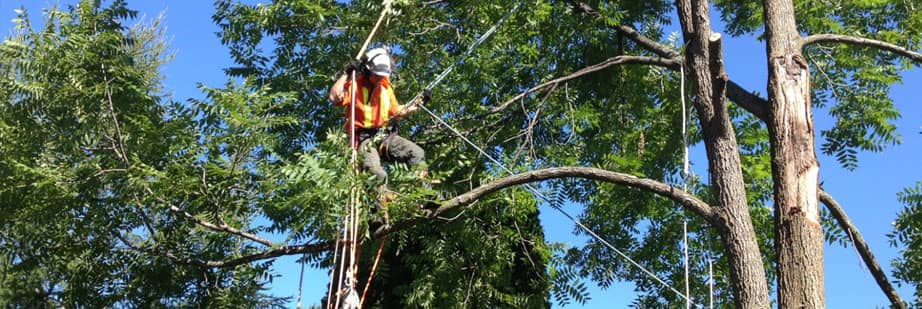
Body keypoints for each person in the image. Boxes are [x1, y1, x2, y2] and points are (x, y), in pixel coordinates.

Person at [328, 47, 432, 201]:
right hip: (363, 138)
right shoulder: (356, 85)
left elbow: (398, 111)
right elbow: (334, 97)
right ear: (369, 70)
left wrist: (419, 102)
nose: (378, 79)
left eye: (381, 76)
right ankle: (378, 218)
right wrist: (346, 74)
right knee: (377, 173)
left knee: (417, 153)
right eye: (376, 75)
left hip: (383, 136)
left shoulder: (385, 87)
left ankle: (425, 195)